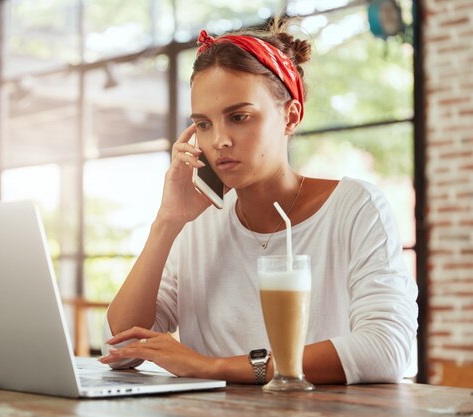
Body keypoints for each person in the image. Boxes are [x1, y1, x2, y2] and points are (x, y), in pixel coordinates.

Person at [97, 19, 418, 385]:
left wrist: (211, 367)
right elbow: (119, 349)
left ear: (291, 116)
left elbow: (385, 348)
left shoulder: (355, 207)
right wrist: (167, 222)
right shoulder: (195, 224)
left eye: (239, 117)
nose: (219, 141)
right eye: (203, 124)